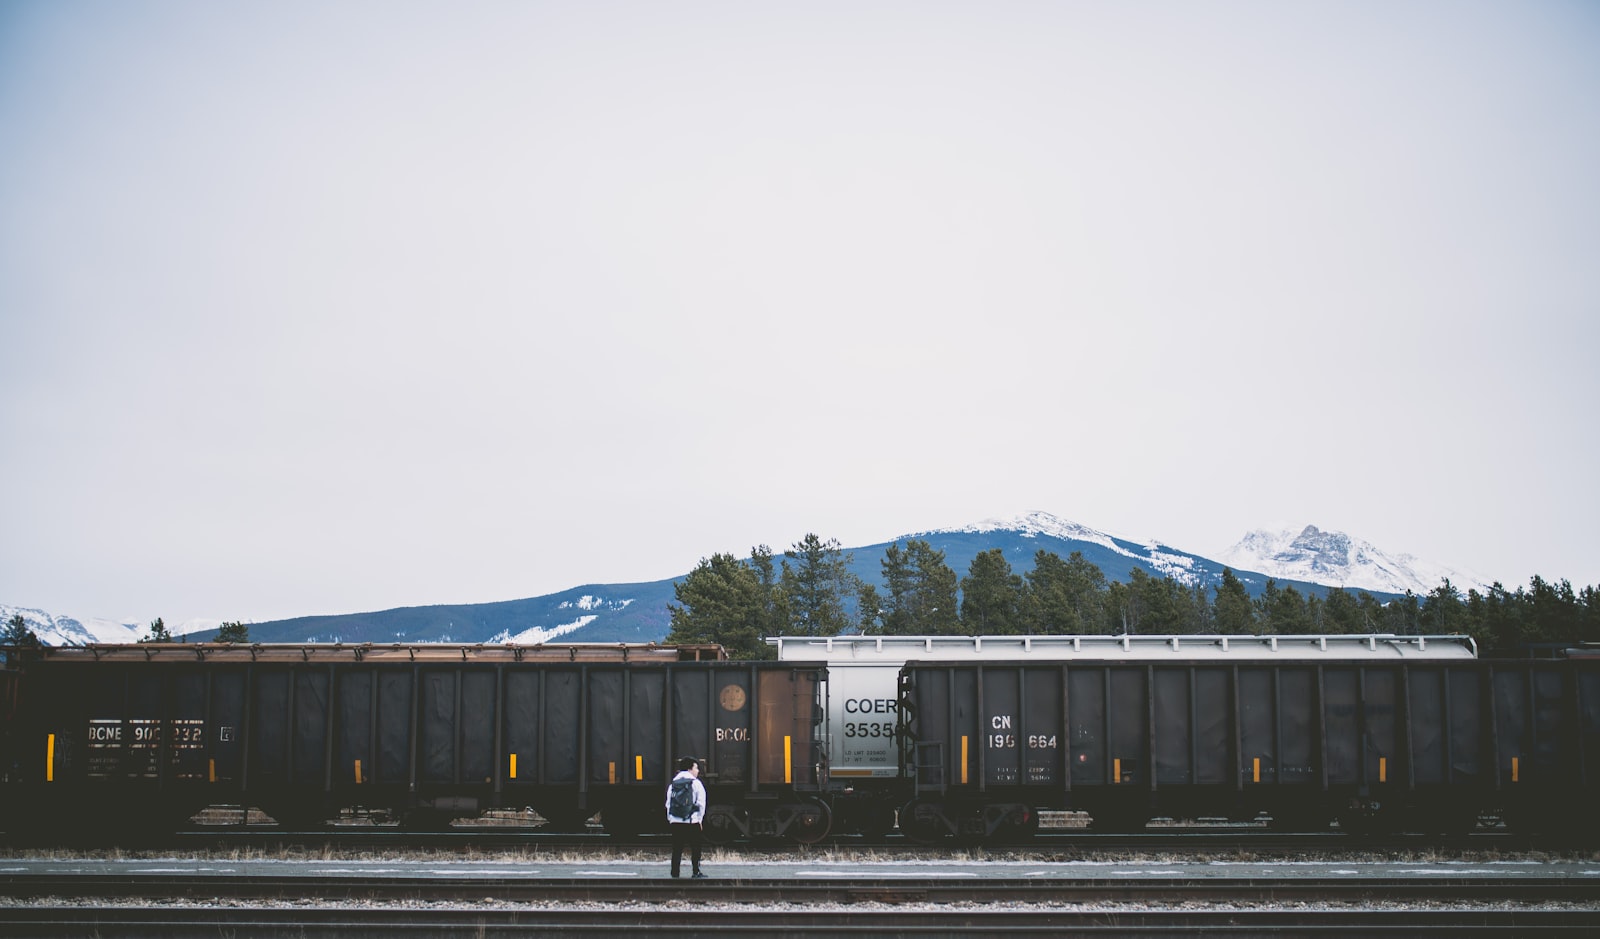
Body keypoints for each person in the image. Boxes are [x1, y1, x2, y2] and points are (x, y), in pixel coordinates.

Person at [664, 756, 708, 879]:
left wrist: (671, 819)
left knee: (677, 848)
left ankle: (675, 873)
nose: (698, 771)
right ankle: (696, 871)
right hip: (691, 821)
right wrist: (699, 819)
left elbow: (668, 803)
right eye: (696, 768)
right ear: (690, 769)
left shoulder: (673, 783)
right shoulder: (696, 783)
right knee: (695, 847)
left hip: (676, 821)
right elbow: (701, 803)